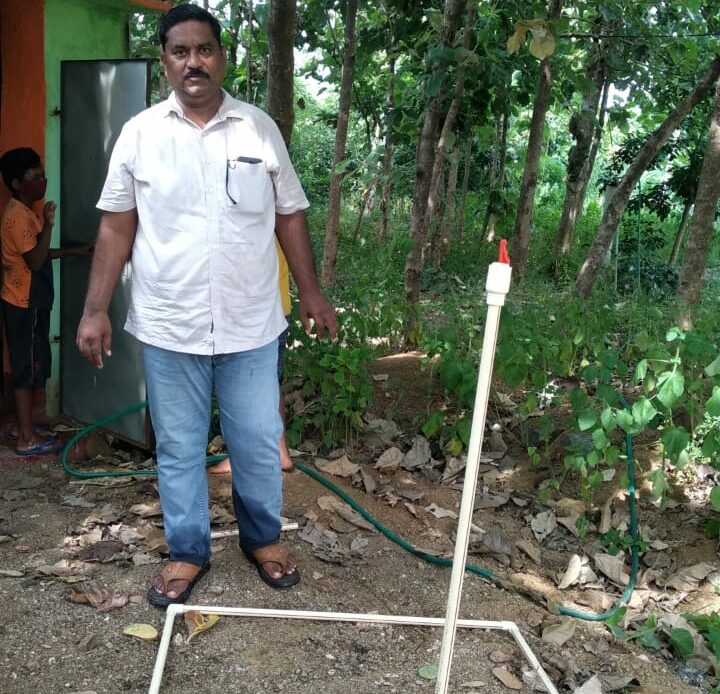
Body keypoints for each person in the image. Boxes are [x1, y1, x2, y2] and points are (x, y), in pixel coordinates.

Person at [76, 4, 337, 606]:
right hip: (171, 324)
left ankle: (263, 539)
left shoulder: (257, 129)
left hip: (251, 323)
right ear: (164, 60)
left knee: (256, 439)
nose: (193, 61)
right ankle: (188, 551)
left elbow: (288, 214)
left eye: (204, 49)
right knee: (179, 446)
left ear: (222, 56)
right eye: (179, 51)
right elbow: (117, 228)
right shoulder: (140, 134)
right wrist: (94, 309)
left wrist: (311, 291)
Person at [0, 147, 92, 455]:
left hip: (30, 301)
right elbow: (37, 261)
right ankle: (26, 438)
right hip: (23, 302)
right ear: (16, 183)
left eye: (42, 175)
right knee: (25, 368)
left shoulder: (25, 213)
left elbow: (35, 255)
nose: (43, 181)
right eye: (34, 176)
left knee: (32, 363)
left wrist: (72, 252)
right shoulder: (18, 217)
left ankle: (22, 426)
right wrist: (50, 223)